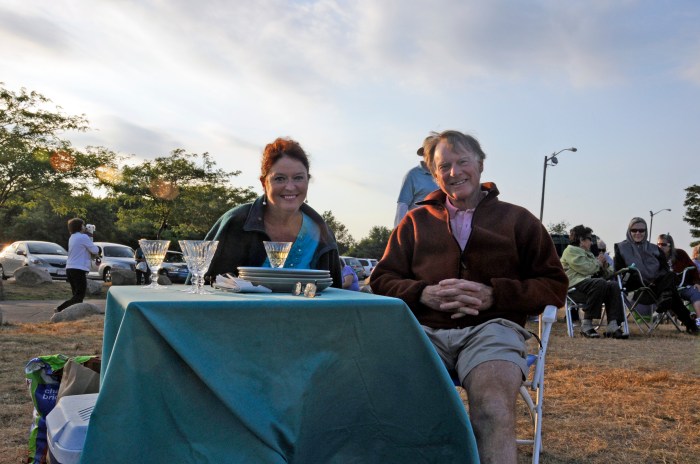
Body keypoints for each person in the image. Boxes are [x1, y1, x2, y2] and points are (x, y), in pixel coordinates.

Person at [371, 130, 567, 464]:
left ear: (480, 164)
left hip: (494, 330)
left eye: (463, 161)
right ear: (434, 175)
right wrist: (423, 293)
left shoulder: (518, 220)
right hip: (424, 333)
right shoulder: (415, 222)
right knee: (394, 404)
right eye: (443, 166)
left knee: (492, 408)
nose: (454, 172)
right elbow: (381, 279)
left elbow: (553, 284)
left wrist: (496, 295)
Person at [204, 137, 342, 287]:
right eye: (280, 179)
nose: (290, 187)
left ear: (307, 181)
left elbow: (337, 297)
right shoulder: (235, 223)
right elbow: (203, 288)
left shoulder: (322, 234)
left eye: (298, 178)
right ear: (264, 183)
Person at [613, 218, 698, 334]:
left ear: (646, 231)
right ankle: (690, 324)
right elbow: (619, 272)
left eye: (641, 230)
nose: (638, 233)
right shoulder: (621, 248)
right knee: (670, 293)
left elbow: (665, 269)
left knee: (670, 276)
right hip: (636, 289)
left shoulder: (655, 249)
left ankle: (666, 298)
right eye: (634, 230)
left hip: (656, 288)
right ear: (629, 231)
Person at [560, 225, 627, 338]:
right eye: (590, 239)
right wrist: (598, 263)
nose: (592, 242)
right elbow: (586, 269)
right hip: (574, 289)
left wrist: (605, 266)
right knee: (600, 283)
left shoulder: (589, 254)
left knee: (613, 285)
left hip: (592, 288)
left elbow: (607, 273)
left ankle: (613, 325)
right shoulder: (570, 251)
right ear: (581, 240)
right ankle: (586, 325)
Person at [56, 218, 100, 312]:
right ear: (79, 226)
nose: (84, 227)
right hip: (78, 269)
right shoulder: (83, 237)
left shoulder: (72, 237)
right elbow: (95, 250)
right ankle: (60, 309)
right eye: (83, 225)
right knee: (79, 296)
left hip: (70, 268)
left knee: (75, 295)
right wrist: (90, 235)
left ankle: (72, 314)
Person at [656, 233, 700, 325]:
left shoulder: (680, 254)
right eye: (658, 244)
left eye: (663, 244)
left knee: (696, 292)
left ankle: (698, 320)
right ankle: (687, 317)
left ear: (670, 245)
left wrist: (696, 282)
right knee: (669, 296)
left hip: (681, 285)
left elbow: (693, 267)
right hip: (663, 290)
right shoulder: (654, 256)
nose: (660, 247)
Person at [393, 144, 438, 227]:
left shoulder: (444, 174)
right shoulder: (412, 175)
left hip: (441, 227)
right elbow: (402, 205)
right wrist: (398, 230)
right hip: (418, 227)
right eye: (431, 152)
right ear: (424, 154)